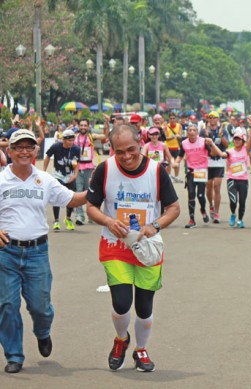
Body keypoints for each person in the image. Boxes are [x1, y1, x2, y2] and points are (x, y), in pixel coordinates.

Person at [86, 124, 180, 372]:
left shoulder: (156, 170)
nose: (127, 157)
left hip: (147, 248)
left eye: (132, 150)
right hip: (114, 246)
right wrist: (108, 221)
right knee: (121, 302)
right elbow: (91, 206)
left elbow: (174, 208)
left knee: (144, 306)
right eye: (120, 152)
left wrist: (155, 226)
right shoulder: (104, 169)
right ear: (111, 150)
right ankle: (121, 340)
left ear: (141, 143)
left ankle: (141, 350)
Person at [0, 129, 87, 374]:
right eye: (19, 147)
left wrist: (97, 190)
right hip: (6, 252)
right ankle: (14, 355)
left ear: (37, 151)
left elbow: (72, 199)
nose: (24, 152)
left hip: (37, 252)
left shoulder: (45, 180)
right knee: (7, 305)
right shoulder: (1, 179)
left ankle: (42, 332)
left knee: (41, 307)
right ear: (10, 151)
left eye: (29, 147)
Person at [172, 124, 213, 228]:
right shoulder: (184, 143)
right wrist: (176, 163)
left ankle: (203, 210)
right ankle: (192, 219)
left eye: (194, 130)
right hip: (191, 171)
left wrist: (211, 143)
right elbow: (180, 155)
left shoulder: (203, 141)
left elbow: (211, 152)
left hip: (201, 171)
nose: (192, 132)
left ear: (197, 132)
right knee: (191, 194)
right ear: (187, 133)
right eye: (190, 130)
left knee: (200, 195)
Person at [215, 128, 251, 228]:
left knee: (242, 201)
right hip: (232, 179)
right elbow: (222, 155)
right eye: (235, 139)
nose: (237, 141)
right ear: (233, 140)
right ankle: (233, 214)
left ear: (242, 141)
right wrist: (212, 144)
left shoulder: (246, 150)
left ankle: (240, 220)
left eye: (239, 139)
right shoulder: (230, 151)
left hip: (243, 180)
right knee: (233, 200)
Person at [43, 129, 81, 231]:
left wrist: (75, 175)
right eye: (69, 140)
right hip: (58, 175)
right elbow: (47, 157)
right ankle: (56, 220)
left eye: (73, 140)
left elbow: (77, 163)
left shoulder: (76, 149)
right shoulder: (56, 147)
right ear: (63, 139)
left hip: (70, 176)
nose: (71, 143)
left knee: (71, 197)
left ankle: (68, 219)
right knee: (57, 196)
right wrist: (44, 171)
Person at [73, 117, 109, 225]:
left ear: (88, 127)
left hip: (89, 167)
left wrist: (106, 123)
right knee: (78, 191)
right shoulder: (74, 138)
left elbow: (104, 136)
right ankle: (79, 216)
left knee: (90, 191)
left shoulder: (91, 137)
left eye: (85, 125)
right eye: (81, 125)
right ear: (78, 126)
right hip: (78, 168)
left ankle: (91, 215)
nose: (83, 127)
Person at [201, 111, 229, 223]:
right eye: (210, 117)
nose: (212, 119)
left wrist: (221, 135)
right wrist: (207, 137)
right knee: (209, 186)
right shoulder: (203, 131)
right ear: (208, 119)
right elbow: (201, 145)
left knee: (217, 186)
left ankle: (216, 213)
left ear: (217, 119)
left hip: (219, 161)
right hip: (207, 161)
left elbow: (226, 145)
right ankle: (211, 205)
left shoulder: (223, 130)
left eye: (214, 117)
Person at [164, 113, 182, 183]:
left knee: (177, 162)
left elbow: (180, 136)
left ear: (175, 119)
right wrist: (171, 137)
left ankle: (176, 176)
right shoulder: (166, 127)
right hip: (168, 147)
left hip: (176, 147)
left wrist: (178, 136)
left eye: (173, 118)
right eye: (170, 118)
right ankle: (169, 176)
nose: (172, 120)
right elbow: (165, 137)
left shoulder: (179, 126)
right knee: (168, 162)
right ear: (169, 119)